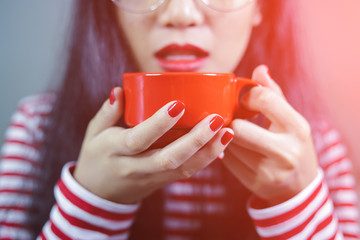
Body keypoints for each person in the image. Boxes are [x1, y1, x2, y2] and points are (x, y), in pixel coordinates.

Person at [0, 0, 359, 239]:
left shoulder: (312, 147)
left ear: (261, 8)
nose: (182, 13)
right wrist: (92, 202)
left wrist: (295, 202)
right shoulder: (39, 127)